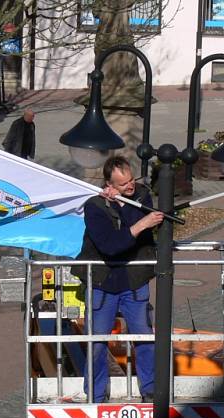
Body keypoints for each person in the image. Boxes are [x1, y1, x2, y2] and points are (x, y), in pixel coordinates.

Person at [74, 156, 164, 403]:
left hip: (134, 281)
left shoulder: (142, 197)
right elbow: (111, 246)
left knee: (144, 337)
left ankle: (150, 388)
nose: (131, 186)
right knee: (97, 341)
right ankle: (95, 391)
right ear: (109, 185)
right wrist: (141, 223)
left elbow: (136, 226)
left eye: (131, 179)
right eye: (123, 184)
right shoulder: (95, 206)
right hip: (103, 282)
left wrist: (126, 207)